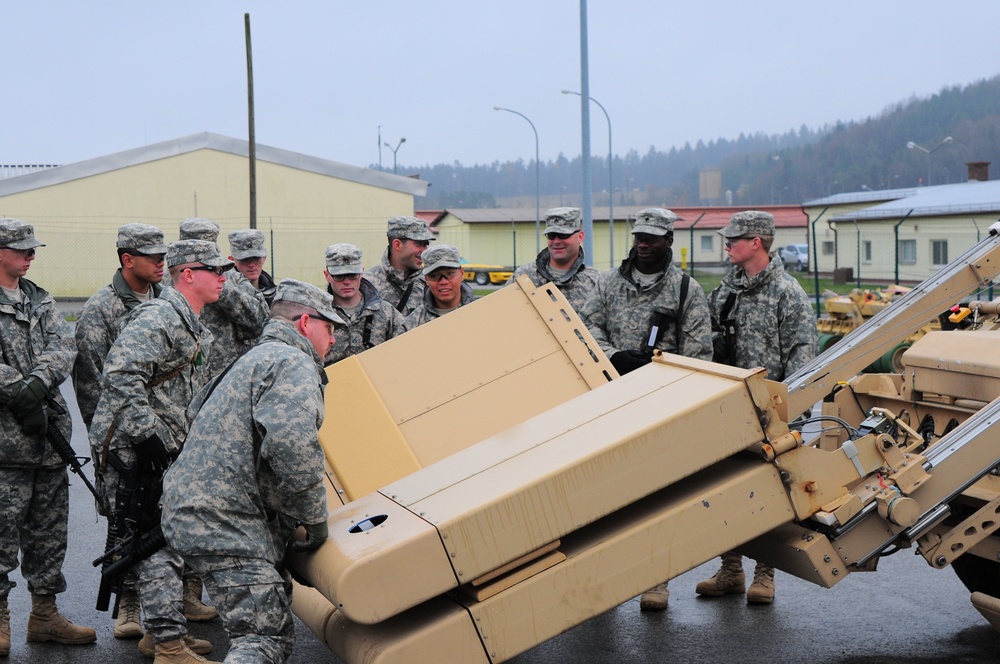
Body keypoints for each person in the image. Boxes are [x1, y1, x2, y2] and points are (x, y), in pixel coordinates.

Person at [161, 279, 343, 664]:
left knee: (266, 630)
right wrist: (314, 518)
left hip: (212, 513)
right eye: (330, 328)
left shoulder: (257, 357)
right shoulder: (292, 362)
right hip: (225, 519)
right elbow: (292, 445)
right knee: (261, 638)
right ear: (305, 322)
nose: (334, 340)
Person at [88, 239, 232, 663]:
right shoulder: (160, 317)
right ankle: (168, 646)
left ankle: (161, 634)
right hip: (133, 453)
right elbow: (119, 372)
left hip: (157, 448)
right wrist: (146, 434)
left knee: (161, 539)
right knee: (154, 544)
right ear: (187, 274)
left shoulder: (186, 319)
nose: (223, 278)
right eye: (214, 270)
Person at [579, 207, 713, 611]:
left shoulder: (686, 290)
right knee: (604, 497)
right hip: (611, 403)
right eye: (639, 236)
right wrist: (615, 355)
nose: (643, 244)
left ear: (669, 241)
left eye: (652, 238)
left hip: (660, 406)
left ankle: (655, 580)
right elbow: (585, 328)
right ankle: (601, 581)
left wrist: (661, 372)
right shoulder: (607, 284)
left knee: (656, 501)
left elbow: (699, 355)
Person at [696, 210, 818, 606]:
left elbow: (803, 357)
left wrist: (788, 412)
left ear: (758, 242)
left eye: (735, 238)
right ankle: (731, 570)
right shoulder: (725, 291)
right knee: (727, 489)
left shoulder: (788, 292)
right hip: (729, 409)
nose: (727, 244)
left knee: (769, 495)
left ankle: (766, 575)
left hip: (771, 413)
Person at [0, 219, 96, 657]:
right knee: (1, 534)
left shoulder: (39, 298)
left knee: (48, 533)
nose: (31, 254)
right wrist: (18, 393)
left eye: (32, 248)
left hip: (48, 437)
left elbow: (64, 344)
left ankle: (44, 615)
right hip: (5, 444)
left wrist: (37, 385)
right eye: (21, 248)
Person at [73, 222, 168, 641]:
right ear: (128, 259)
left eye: (164, 256)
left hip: (164, 433)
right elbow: (92, 385)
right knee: (126, 520)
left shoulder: (169, 303)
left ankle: (166, 615)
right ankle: (127, 603)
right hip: (121, 442)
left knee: (164, 519)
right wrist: (114, 443)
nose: (161, 263)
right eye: (153, 257)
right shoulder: (102, 309)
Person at [175, 220, 269, 382]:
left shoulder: (232, 279)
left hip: (226, 381)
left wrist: (219, 284)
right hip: (182, 383)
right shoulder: (167, 282)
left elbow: (258, 322)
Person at [322, 243, 403, 365]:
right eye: (339, 276)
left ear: (361, 273)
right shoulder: (319, 314)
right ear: (327, 275)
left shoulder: (386, 313)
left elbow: (405, 350)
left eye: (352, 275)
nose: (347, 282)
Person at [506, 207, 599, 312]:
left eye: (563, 235)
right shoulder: (523, 276)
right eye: (551, 235)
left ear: (580, 236)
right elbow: (501, 312)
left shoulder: (595, 282)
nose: (556, 241)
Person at [364, 215, 435, 317]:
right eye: (419, 244)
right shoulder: (367, 285)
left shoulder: (428, 283)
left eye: (426, 244)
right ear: (397, 245)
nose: (424, 251)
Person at [399, 244, 476, 331]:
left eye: (450, 273)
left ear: (462, 273)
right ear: (426, 279)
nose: (443, 282)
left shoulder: (480, 312)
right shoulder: (413, 325)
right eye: (434, 276)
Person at [228, 229, 277, 305]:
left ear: (264, 258)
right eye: (245, 259)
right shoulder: (225, 295)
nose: (251, 264)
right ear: (232, 260)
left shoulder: (275, 294)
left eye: (256, 258)